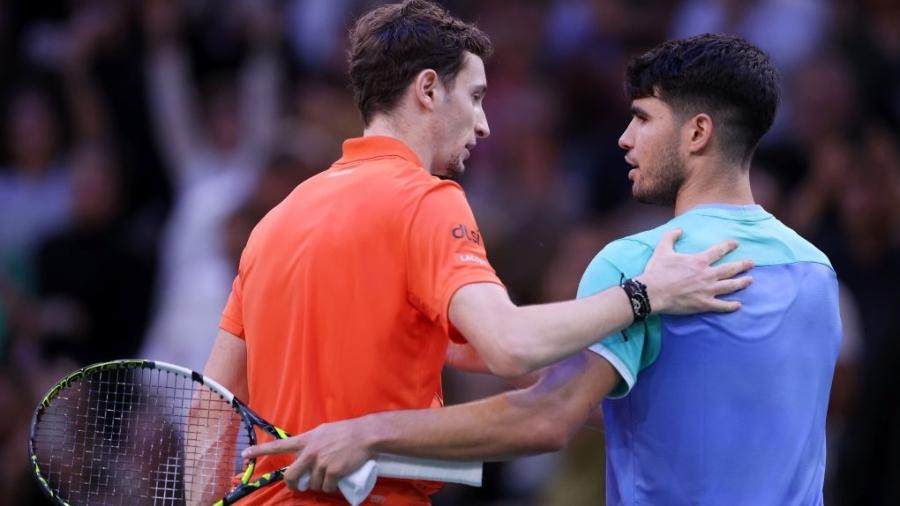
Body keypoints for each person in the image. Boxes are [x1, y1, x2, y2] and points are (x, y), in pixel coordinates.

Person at [245, 33, 841, 505]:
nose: (624, 139)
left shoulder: (640, 263)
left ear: (698, 132)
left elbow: (547, 417)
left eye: (642, 118)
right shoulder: (817, 272)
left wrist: (365, 433)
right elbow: (698, 411)